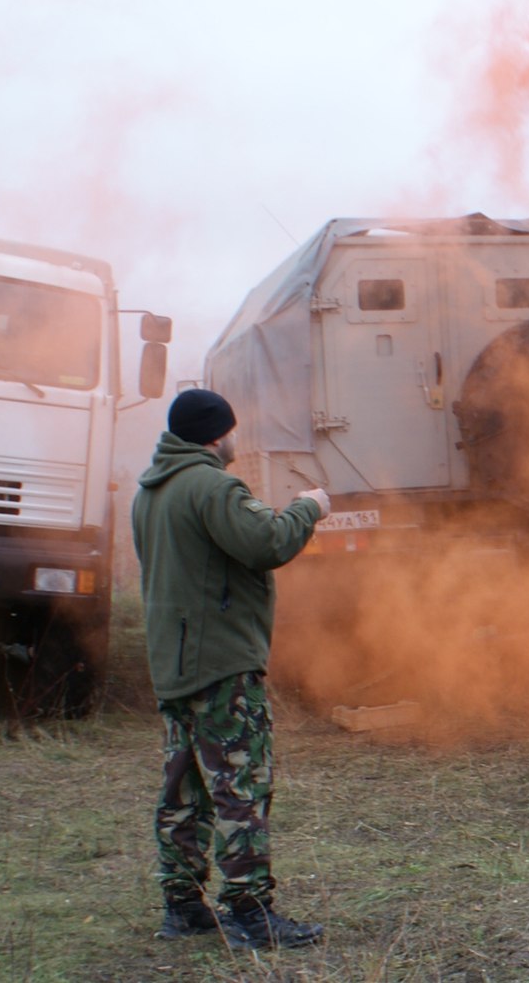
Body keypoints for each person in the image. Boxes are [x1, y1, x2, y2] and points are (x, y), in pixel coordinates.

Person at [132, 388, 331, 949]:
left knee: (183, 789)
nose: (236, 438)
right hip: (220, 663)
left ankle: (183, 908)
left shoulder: (152, 491)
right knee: (240, 787)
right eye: (232, 429)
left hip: (173, 663)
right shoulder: (213, 486)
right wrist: (308, 506)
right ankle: (249, 915)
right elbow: (266, 541)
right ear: (217, 434)